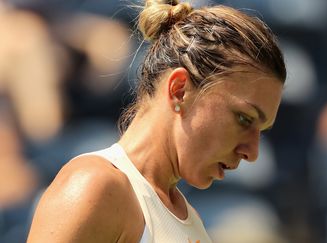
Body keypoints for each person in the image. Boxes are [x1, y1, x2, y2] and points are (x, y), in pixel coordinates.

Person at [26, 0, 286, 242]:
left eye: (261, 130)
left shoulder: (187, 216)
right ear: (179, 90)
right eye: (244, 118)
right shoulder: (95, 186)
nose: (252, 152)